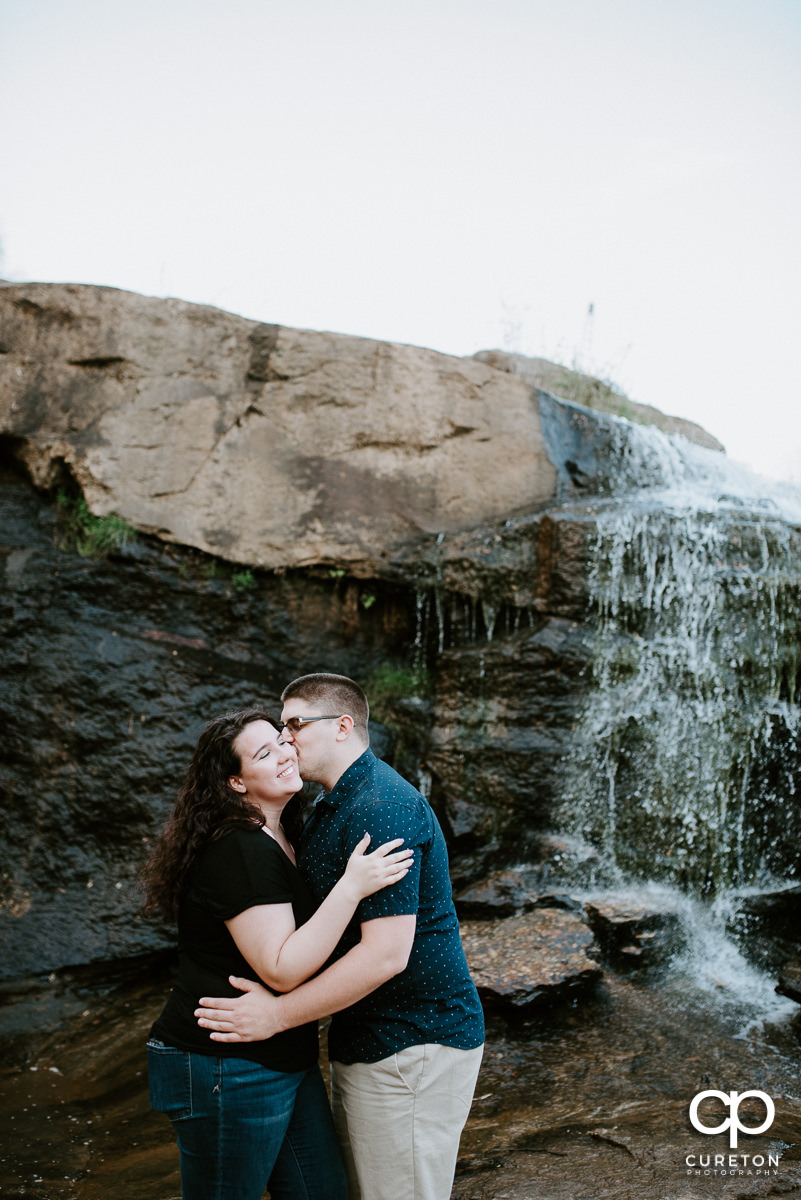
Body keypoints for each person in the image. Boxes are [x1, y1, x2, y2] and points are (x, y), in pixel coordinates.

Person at [196, 675, 485, 1200]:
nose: (286, 740)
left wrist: (277, 1016)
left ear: (343, 727)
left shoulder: (382, 806)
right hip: (368, 1039)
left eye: (294, 726)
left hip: (412, 1042)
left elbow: (386, 956)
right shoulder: (329, 806)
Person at [141, 706, 412, 1200]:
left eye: (283, 740)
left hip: (283, 1054)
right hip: (223, 1062)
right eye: (264, 753)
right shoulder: (238, 847)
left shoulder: (285, 831)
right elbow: (282, 969)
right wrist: (350, 888)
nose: (287, 752)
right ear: (236, 784)